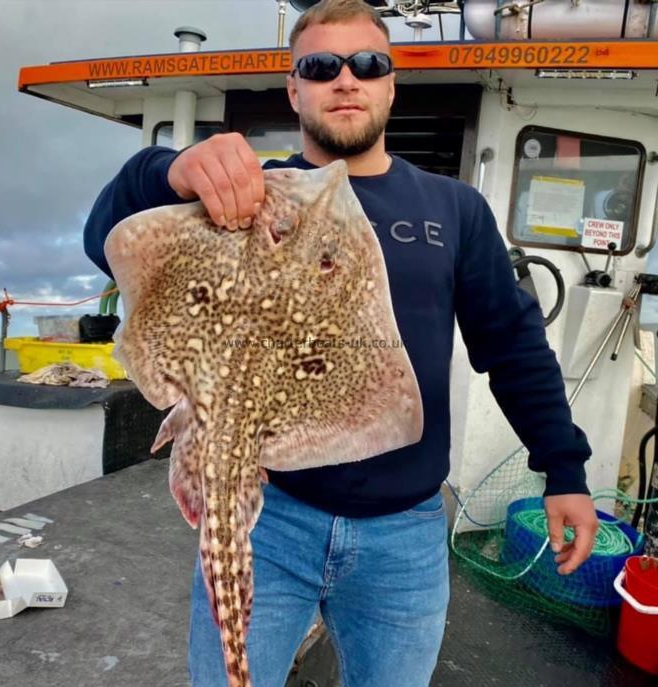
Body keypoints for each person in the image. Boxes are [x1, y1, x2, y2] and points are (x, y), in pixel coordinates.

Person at [83, 1, 600, 685]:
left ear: (391, 83)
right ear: (294, 88)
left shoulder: (454, 209)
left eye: (368, 64)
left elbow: (512, 344)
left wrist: (563, 467)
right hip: (273, 514)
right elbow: (106, 239)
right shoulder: (246, 194)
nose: (346, 79)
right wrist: (166, 169)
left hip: (405, 534)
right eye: (321, 66)